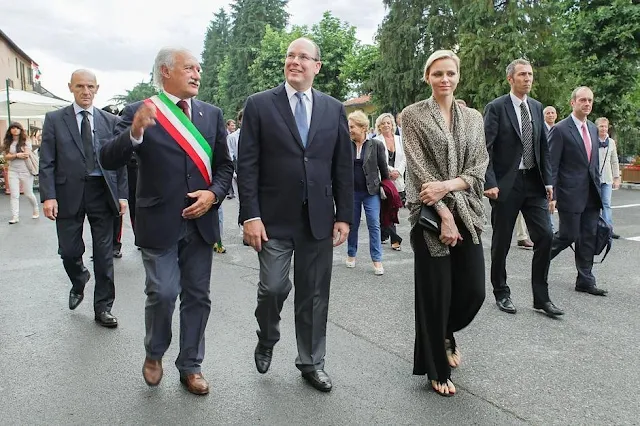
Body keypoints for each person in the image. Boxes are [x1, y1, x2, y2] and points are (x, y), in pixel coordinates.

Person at [100, 47, 234, 395]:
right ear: (165, 71)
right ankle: (154, 351)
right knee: (163, 292)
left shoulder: (211, 114)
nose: (197, 74)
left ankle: (190, 366)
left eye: (199, 68)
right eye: (189, 67)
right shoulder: (140, 111)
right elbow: (108, 157)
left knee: (197, 297)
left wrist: (213, 195)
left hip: (202, 223)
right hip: (158, 221)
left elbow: (224, 167)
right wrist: (134, 133)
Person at [237, 37, 353, 393]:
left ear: (317, 66)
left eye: (304, 57)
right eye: (290, 55)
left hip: (318, 219)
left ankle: (311, 362)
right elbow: (248, 164)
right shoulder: (259, 105)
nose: (295, 61)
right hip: (272, 220)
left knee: (315, 295)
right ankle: (268, 336)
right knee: (272, 288)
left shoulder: (333, 109)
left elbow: (342, 166)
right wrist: (249, 215)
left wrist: (344, 216)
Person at [403, 50, 487, 397]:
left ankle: (444, 332)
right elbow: (419, 168)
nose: (445, 79)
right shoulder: (412, 116)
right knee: (435, 295)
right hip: (429, 217)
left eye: (450, 73)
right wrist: (444, 213)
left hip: (468, 212)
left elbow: (479, 166)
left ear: (458, 76)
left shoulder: (473, 118)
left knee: (474, 292)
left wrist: (450, 187)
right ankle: (436, 369)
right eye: (437, 74)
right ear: (427, 77)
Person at [39, 69, 128, 328]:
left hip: (102, 192)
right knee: (68, 251)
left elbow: (119, 161)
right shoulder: (55, 119)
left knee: (104, 254)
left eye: (90, 86)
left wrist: (122, 194)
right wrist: (48, 197)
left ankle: (103, 308)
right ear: (70, 88)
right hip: (68, 194)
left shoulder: (110, 121)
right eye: (80, 86)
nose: (86, 91)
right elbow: (47, 161)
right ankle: (79, 279)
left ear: (97, 89)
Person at [484, 59, 562, 317]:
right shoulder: (496, 108)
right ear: (510, 79)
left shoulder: (537, 108)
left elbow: (543, 149)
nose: (527, 78)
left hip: (533, 182)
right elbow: (486, 149)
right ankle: (501, 292)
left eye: (530, 74)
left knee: (546, 236)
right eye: (522, 75)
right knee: (502, 241)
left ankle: (541, 297)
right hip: (507, 184)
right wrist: (490, 182)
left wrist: (549, 181)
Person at [549, 87, 607, 296]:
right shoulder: (560, 129)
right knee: (568, 235)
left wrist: (599, 191)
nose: (587, 104)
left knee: (588, 237)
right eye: (583, 100)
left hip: (591, 194)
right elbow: (552, 165)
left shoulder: (592, 128)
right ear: (572, 103)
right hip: (569, 194)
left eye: (590, 100)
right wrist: (552, 195)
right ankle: (540, 262)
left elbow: (594, 164)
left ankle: (585, 280)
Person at [345, 110, 388, 275]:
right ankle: (351, 254)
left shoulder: (376, 145)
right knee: (352, 224)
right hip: (352, 192)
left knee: (374, 225)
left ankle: (377, 260)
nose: (350, 130)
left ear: (363, 127)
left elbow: (383, 170)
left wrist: (387, 188)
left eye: (352, 127)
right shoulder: (346, 144)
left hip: (371, 192)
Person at [375, 113, 406, 250]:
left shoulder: (400, 139)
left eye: (388, 122)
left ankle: (383, 233)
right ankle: (395, 239)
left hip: (398, 179)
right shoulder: (376, 141)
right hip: (384, 179)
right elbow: (378, 160)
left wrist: (398, 171)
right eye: (383, 123)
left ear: (392, 125)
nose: (386, 125)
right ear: (379, 126)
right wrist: (390, 171)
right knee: (389, 208)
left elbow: (405, 158)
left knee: (391, 208)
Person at [3, 122, 39, 224]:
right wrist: (17, 155)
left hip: (26, 171)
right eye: (13, 128)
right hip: (12, 171)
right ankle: (15, 217)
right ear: (10, 130)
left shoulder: (25, 140)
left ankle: (35, 208)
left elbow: (26, 154)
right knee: (14, 195)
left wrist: (13, 155)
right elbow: (6, 156)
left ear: (20, 130)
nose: (15, 130)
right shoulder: (8, 142)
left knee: (28, 193)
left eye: (17, 128)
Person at [101, 105, 125, 258]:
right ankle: (103, 246)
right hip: (103, 177)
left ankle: (115, 244)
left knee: (117, 213)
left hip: (119, 176)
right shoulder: (99, 130)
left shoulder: (121, 132)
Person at [595, 117, 621, 238]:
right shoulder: (592, 140)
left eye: (605, 126)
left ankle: (608, 230)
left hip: (607, 178)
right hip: (594, 179)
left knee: (606, 203)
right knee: (594, 205)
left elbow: (614, 161)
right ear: (597, 127)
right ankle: (595, 228)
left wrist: (617, 177)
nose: (604, 129)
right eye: (601, 126)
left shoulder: (611, 142)